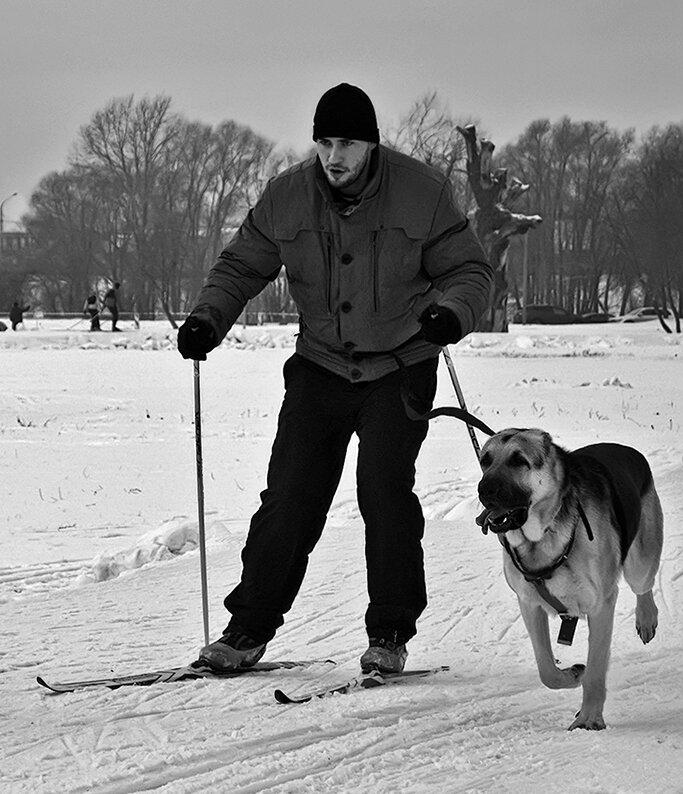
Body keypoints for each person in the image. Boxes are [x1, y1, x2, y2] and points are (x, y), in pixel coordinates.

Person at [176, 83, 493, 675]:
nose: (333, 156)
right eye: (323, 142)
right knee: (291, 496)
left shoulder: (422, 192)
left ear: (370, 143)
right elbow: (242, 265)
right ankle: (247, 629)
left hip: (400, 364)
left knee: (384, 491)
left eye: (346, 142)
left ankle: (390, 633)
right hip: (320, 366)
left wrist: (452, 313)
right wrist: (207, 319)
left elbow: (470, 270)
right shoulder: (287, 196)